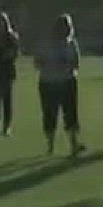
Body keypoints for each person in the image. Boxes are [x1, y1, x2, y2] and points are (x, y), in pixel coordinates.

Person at [33, 13, 85, 157]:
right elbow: (37, 62)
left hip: (67, 82)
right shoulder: (46, 43)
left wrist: (67, 65)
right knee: (50, 114)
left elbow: (77, 63)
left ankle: (73, 144)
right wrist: (51, 64)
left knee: (71, 113)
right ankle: (50, 146)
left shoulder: (72, 43)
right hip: (48, 83)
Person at [0, 13, 21, 136]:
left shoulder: (12, 37)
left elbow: (16, 53)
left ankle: (7, 126)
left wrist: (7, 53)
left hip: (7, 72)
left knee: (7, 100)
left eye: (3, 22)